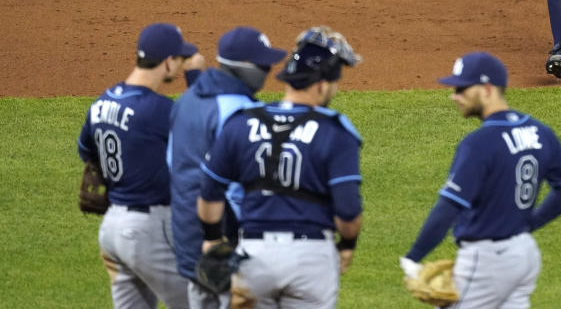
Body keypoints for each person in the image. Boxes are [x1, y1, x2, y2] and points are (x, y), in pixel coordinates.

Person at [400, 52, 561, 308]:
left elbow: (449, 206)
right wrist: (530, 223)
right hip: (524, 254)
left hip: (487, 262)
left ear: (487, 89)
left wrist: (413, 257)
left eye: (462, 88)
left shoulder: (479, 143)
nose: (455, 95)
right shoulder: (539, 132)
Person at [196, 26, 363, 308]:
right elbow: (348, 212)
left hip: (252, 257)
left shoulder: (240, 122)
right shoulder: (335, 131)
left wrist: (212, 239)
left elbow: (209, 193)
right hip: (311, 260)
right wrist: (347, 246)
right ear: (322, 84)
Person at [77, 22, 200, 309]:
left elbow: (86, 152)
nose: (180, 66)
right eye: (180, 61)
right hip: (148, 231)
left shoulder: (101, 102)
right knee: (205, 303)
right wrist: (195, 76)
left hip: (112, 230)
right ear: (168, 62)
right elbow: (204, 132)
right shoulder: (158, 109)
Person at [168, 26, 287, 309]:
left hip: (187, 239)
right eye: (262, 64)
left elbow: (173, 163)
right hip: (224, 243)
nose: (268, 69)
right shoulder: (237, 112)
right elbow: (234, 189)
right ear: (244, 67)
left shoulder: (188, 100)